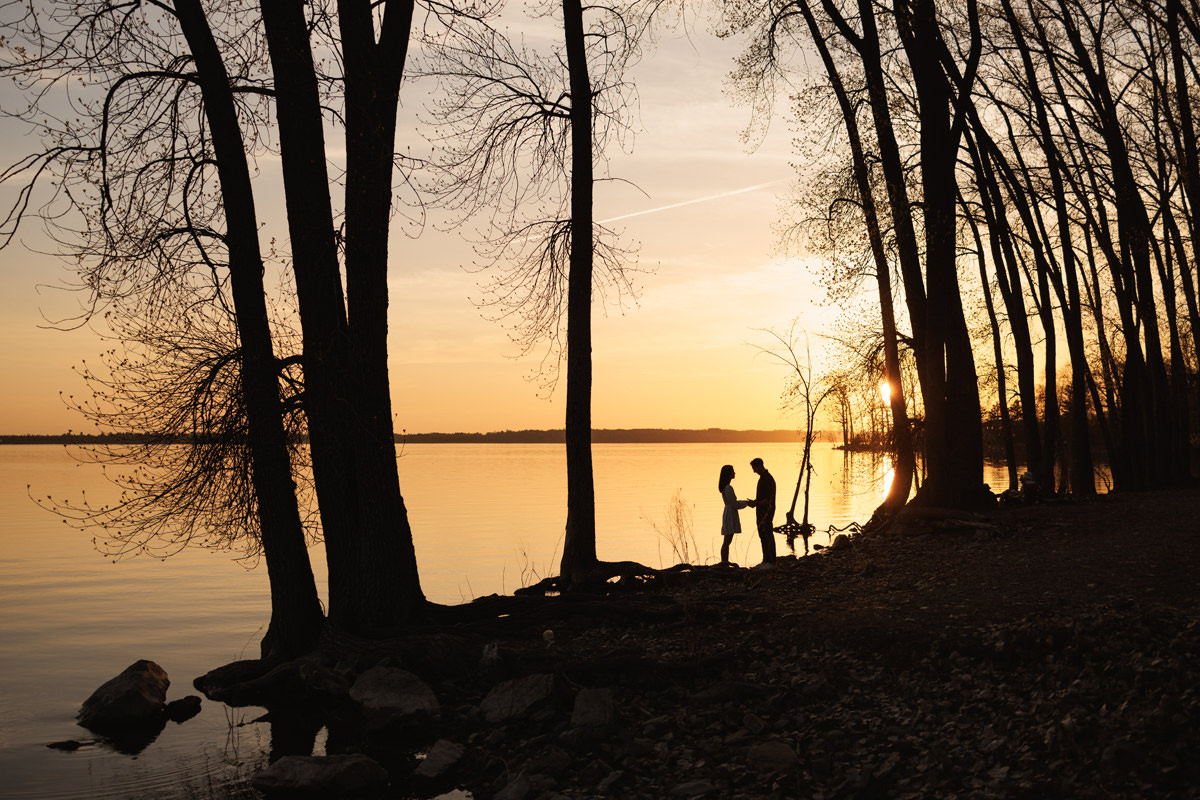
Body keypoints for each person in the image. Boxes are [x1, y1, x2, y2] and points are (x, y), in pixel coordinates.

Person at [747, 457, 777, 569]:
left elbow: (768, 500)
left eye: (754, 468)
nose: (754, 471)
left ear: (759, 466)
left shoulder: (768, 479)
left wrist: (756, 503)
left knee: (767, 535)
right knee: (762, 535)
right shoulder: (762, 478)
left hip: (766, 512)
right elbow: (762, 498)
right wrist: (755, 502)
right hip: (760, 511)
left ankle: (771, 562)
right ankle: (766, 560)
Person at [718, 464, 750, 566]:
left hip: (729, 513)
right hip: (730, 514)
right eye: (733, 471)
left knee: (727, 541)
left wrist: (745, 503)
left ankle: (725, 562)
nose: (734, 473)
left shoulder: (726, 488)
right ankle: (724, 563)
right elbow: (734, 504)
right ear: (728, 474)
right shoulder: (728, 488)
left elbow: (733, 503)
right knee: (727, 541)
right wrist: (747, 503)